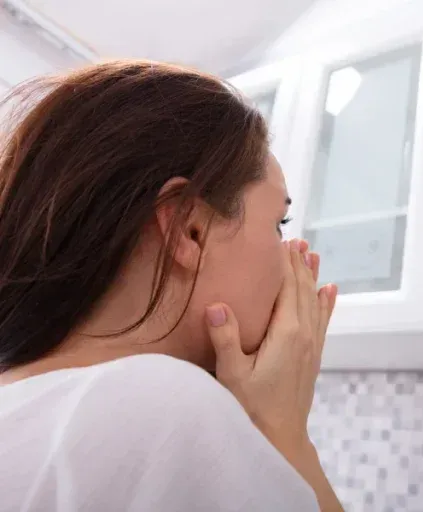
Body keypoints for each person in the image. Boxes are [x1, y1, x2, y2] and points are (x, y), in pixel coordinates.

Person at [0, 60, 344, 511]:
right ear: (189, 229)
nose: (295, 255)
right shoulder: (161, 403)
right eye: (279, 222)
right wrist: (286, 435)